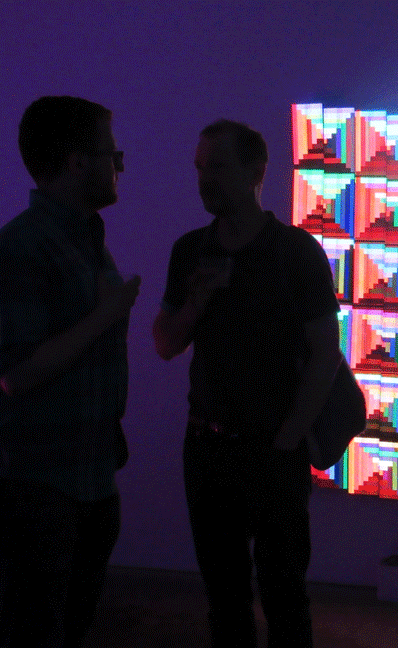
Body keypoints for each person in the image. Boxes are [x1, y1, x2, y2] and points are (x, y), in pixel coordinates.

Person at [153, 119, 341, 648]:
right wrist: (197, 302)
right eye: (199, 167)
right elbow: (164, 343)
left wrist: (288, 439)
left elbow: (325, 355)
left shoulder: (296, 252)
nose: (203, 179)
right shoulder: (190, 251)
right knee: (225, 597)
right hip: (208, 447)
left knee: (285, 595)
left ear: (256, 171)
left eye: (217, 166)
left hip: (272, 449)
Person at [0, 96, 140, 647]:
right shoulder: (23, 248)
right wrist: (107, 314)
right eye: (111, 152)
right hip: (42, 484)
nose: (120, 163)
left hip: (89, 476)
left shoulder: (84, 237)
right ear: (78, 161)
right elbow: (16, 373)